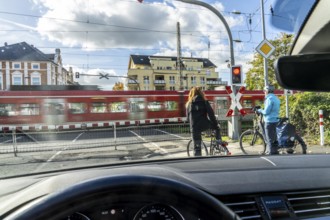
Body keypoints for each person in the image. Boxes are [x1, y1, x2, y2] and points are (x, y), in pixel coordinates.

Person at [186, 87, 222, 156]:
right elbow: (211, 114)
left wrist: (192, 127)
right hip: (205, 124)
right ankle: (218, 142)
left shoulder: (189, 104)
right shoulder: (205, 101)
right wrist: (215, 125)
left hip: (195, 128)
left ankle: (198, 162)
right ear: (201, 93)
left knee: (197, 148)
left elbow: (188, 118)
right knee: (217, 128)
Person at [257, 85, 281, 155]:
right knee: (274, 138)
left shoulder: (269, 99)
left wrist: (259, 110)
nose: (264, 92)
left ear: (267, 91)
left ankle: (270, 153)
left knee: (269, 139)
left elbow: (266, 112)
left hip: (269, 121)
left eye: (264, 91)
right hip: (276, 120)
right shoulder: (276, 98)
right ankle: (275, 151)